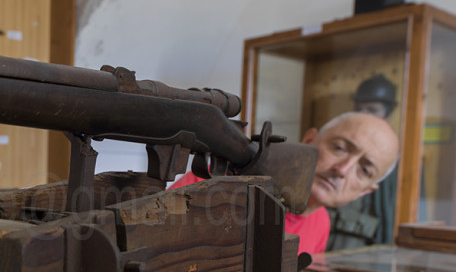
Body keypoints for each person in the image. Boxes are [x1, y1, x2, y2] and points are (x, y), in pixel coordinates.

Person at [170, 111, 399, 255]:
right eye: (339, 148)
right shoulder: (213, 183)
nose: (342, 170)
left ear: (365, 191)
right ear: (309, 140)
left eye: (365, 169)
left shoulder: (322, 222)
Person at [325, 74, 400, 249]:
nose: (364, 115)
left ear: (388, 113)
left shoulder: (396, 161)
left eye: (372, 110)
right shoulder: (337, 151)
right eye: (360, 109)